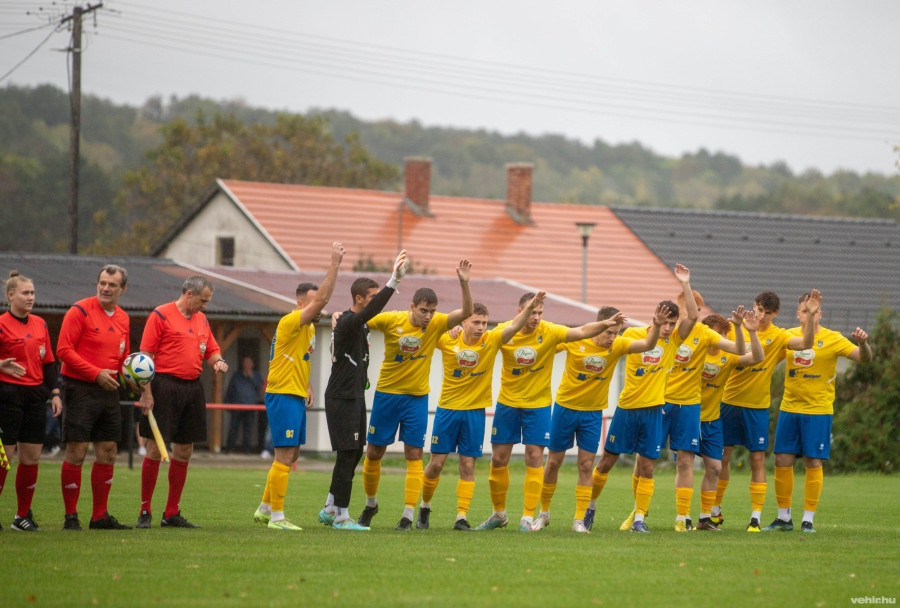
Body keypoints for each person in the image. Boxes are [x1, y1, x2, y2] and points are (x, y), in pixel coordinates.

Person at [476, 293, 627, 533]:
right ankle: (499, 514)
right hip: (508, 403)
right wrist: (455, 332)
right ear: (519, 311)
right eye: (531, 312)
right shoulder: (505, 331)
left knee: (535, 458)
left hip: (539, 404)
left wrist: (606, 324)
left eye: (539, 313)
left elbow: (581, 332)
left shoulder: (549, 331)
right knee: (498, 459)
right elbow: (479, 342)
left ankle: (527, 517)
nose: (536, 318)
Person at [357, 259, 473, 530]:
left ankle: (408, 515)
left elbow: (467, 310)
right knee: (374, 452)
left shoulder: (436, 324)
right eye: (423, 311)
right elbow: (361, 319)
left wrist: (464, 282)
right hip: (386, 394)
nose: (428, 316)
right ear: (412, 307)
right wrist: (341, 315)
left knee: (414, 454)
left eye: (432, 311)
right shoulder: (392, 320)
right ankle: (371, 505)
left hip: (417, 399)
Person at [533, 304, 668, 534]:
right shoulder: (576, 340)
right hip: (565, 409)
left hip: (593, 413)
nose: (613, 338)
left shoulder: (617, 346)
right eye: (609, 332)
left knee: (586, 465)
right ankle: (543, 513)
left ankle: (579, 520)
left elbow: (648, 344)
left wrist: (655, 326)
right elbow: (543, 342)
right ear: (599, 327)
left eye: (616, 333)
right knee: (553, 462)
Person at [418, 293, 546, 532]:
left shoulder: (492, 340)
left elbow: (516, 325)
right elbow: (421, 331)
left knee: (468, 465)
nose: (480, 327)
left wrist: (529, 308)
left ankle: (461, 517)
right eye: (475, 322)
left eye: (484, 323)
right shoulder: (447, 339)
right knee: (436, 464)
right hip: (447, 410)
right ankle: (424, 507)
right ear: (464, 321)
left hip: (475, 412)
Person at [586, 264, 698, 534]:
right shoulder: (634, 334)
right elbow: (607, 342)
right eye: (666, 322)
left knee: (647, 467)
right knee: (606, 463)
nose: (669, 328)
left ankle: (639, 519)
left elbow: (693, 316)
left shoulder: (673, 341)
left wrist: (685, 284)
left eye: (673, 323)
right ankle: (589, 508)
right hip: (626, 409)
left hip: (653, 412)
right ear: (654, 317)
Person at [252, 242, 345, 531]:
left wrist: (306, 384)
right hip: (282, 394)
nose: (320, 306)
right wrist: (334, 265)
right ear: (301, 303)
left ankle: (265, 508)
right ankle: (277, 518)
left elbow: (299, 358)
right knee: (284, 454)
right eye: (314, 302)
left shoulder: (310, 328)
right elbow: (324, 299)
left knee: (292, 454)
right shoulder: (292, 320)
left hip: (295, 392)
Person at [762, 293, 871, 534]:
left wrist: (863, 343)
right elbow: (766, 360)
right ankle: (783, 518)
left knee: (813, 461)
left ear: (820, 313)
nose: (808, 314)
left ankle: (808, 520)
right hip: (790, 408)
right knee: (782, 460)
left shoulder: (833, 338)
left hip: (818, 410)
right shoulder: (788, 336)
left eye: (813, 310)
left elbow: (864, 359)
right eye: (804, 310)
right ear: (797, 314)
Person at [317, 251, 408, 531]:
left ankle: (331, 506)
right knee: (347, 454)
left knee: (355, 453)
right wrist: (394, 280)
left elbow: (372, 316)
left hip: (354, 396)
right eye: (372, 296)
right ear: (359, 299)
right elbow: (370, 312)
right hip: (341, 398)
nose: (374, 302)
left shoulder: (357, 324)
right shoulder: (347, 322)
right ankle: (342, 517)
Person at [715, 289, 819, 532]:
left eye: (768, 313)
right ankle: (714, 510)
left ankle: (755, 517)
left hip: (757, 407)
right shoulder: (735, 329)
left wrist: (812, 315)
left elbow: (806, 343)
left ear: (776, 314)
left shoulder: (779, 336)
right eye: (760, 310)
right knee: (722, 458)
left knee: (757, 459)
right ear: (754, 306)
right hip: (728, 401)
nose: (762, 316)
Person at [57, 264, 148, 530]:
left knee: (108, 450)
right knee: (77, 449)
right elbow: (63, 349)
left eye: (112, 285)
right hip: (80, 388)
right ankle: (70, 517)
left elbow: (124, 359)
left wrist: (136, 380)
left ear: (123, 289)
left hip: (109, 390)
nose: (106, 288)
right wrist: (96, 373)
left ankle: (99, 516)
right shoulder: (80, 311)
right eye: (102, 283)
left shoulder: (123, 318)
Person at [136, 275, 228, 529]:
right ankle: (145, 510)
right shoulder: (161, 315)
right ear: (189, 293)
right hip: (164, 385)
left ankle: (171, 512)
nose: (205, 305)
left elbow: (211, 349)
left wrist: (218, 361)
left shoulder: (201, 319)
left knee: (185, 450)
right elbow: (145, 357)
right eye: (203, 300)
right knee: (155, 447)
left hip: (192, 388)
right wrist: (146, 393)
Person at [655, 293, 751, 532]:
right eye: (687, 307)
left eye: (696, 307)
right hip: (662, 403)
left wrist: (742, 329)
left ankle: (694, 518)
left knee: (704, 465)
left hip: (696, 410)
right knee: (645, 460)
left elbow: (742, 350)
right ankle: (638, 515)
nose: (692, 311)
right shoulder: (666, 334)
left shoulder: (706, 337)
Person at [0, 271, 62, 531]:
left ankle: (21, 516)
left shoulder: (40, 324)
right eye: (25, 293)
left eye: (33, 293)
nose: (30, 297)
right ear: (11, 295)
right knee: (5, 457)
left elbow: (49, 362)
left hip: (35, 396)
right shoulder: (1, 323)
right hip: (7, 395)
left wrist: (55, 393)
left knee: (31, 457)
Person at [693, 311, 763, 531]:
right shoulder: (693, 351)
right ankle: (680, 518)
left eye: (724, 334)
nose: (720, 338)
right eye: (717, 333)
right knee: (682, 464)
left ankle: (705, 519)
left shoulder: (728, 355)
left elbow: (757, 357)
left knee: (715, 467)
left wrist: (750, 331)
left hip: (712, 419)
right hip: (687, 414)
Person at [225, 356, 263, 453]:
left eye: (249, 363)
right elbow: (230, 389)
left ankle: (246, 450)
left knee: (248, 429)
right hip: (237, 406)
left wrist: (251, 377)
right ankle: (230, 448)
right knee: (233, 428)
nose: (247, 365)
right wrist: (227, 403)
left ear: (252, 365)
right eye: (245, 363)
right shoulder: (236, 375)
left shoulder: (257, 375)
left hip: (250, 407)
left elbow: (261, 388)